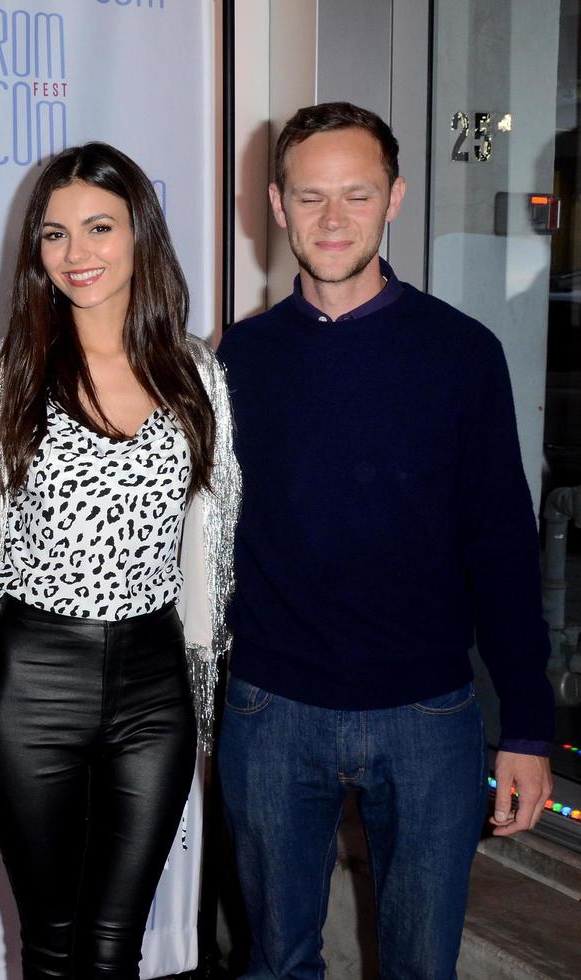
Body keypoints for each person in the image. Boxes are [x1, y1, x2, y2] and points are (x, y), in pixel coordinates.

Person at [218, 101, 555, 978]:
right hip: (271, 709)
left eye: (356, 195)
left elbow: (504, 547)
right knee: (275, 964)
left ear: (395, 198)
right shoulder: (235, 360)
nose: (333, 220)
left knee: (421, 967)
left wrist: (526, 726)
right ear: (278, 205)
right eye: (311, 197)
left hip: (429, 714)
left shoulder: (463, 354)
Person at [0, 142, 240, 978]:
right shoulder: (11, 373)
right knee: (50, 946)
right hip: (32, 676)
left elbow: (213, 541)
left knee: (117, 944)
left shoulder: (195, 372)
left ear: (140, 235)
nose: (78, 254)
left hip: (154, 684)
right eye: (55, 235)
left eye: (99, 228)